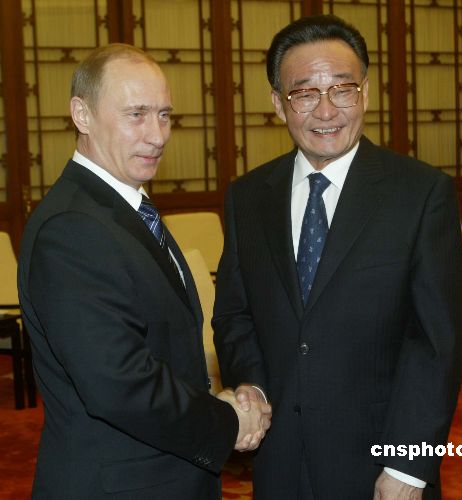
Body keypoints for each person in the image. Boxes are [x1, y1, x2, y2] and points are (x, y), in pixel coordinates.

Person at [212, 14, 462, 500]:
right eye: (304, 93)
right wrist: (255, 390)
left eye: (343, 90)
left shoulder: (419, 193)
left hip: (381, 467)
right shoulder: (248, 196)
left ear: (365, 93)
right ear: (278, 103)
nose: (326, 110)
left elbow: (436, 343)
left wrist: (410, 465)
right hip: (279, 458)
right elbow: (234, 314)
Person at [17, 43, 271, 500]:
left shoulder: (122, 207)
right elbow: (119, 382)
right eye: (136, 114)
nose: (157, 135)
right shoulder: (73, 228)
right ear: (82, 114)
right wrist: (226, 421)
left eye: (164, 115)